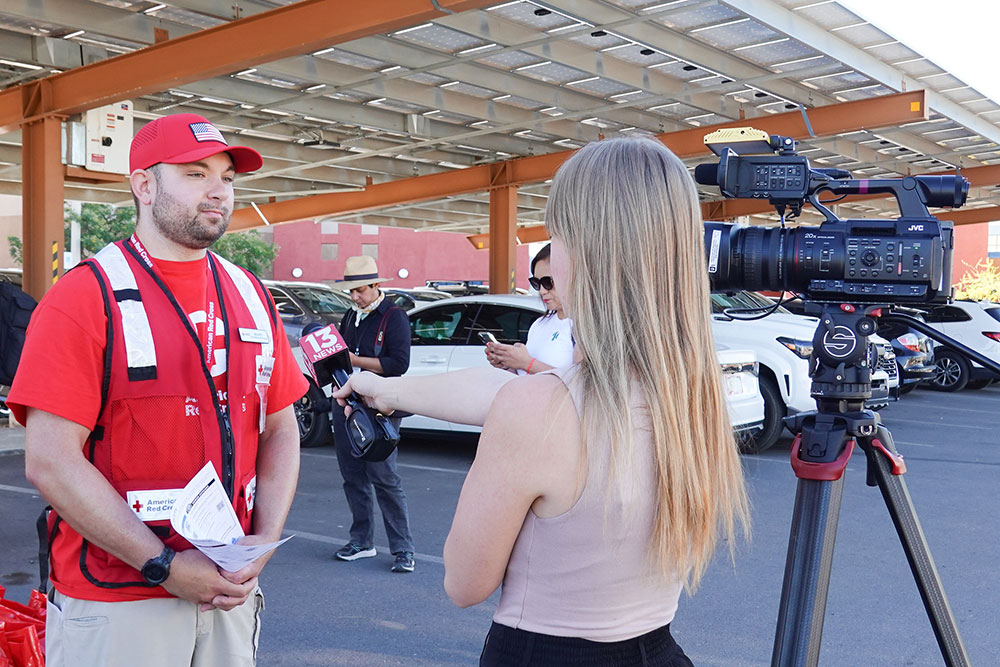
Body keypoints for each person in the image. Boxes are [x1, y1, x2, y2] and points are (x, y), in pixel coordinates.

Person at [334, 137, 750, 665]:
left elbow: (464, 582)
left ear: (591, 251)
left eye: (558, 236)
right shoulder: (690, 396)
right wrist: (389, 390)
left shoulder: (539, 408)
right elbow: (522, 393)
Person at [9, 113, 307, 667]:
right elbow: (50, 460)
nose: (219, 190)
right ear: (144, 185)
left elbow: (280, 427)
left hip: (228, 593)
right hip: (118, 601)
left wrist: (261, 544)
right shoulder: (86, 296)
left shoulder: (250, 293)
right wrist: (162, 565)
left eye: (226, 177)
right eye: (196, 174)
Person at [330, 256, 415, 573]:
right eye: (351, 291)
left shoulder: (394, 316)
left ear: (377, 285)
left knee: (384, 477)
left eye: (361, 290)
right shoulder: (350, 316)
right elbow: (341, 358)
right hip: (346, 402)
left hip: (380, 405)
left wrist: (355, 360)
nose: (355, 297)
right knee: (352, 476)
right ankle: (361, 541)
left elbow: (398, 364)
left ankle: (403, 549)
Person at [485, 243, 573, 375]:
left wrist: (527, 363)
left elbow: (581, 382)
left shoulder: (587, 328)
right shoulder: (539, 324)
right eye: (536, 283)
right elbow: (525, 374)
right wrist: (509, 364)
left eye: (548, 282)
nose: (542, 291)